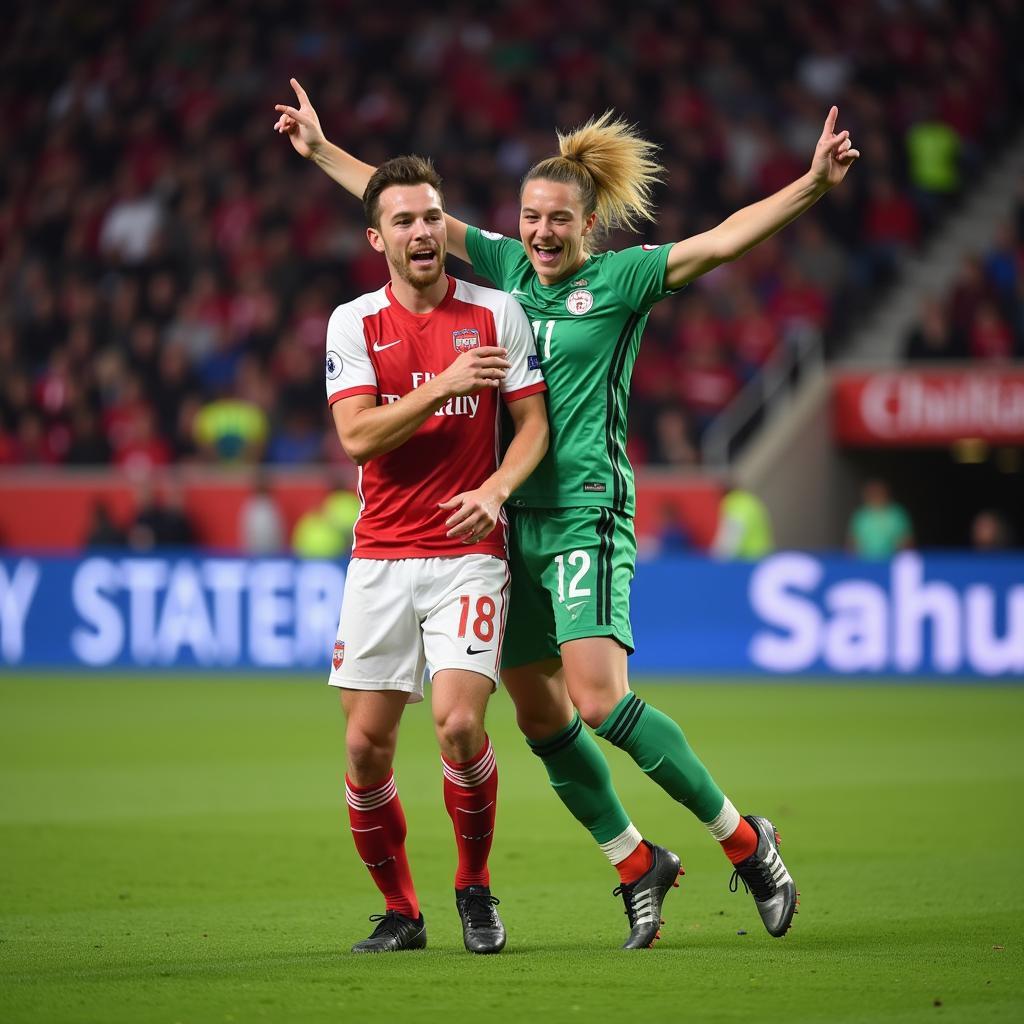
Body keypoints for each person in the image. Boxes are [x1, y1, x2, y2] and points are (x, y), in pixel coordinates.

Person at [276, 80, 859, 945]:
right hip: (505, 531)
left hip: (586, 510)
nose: (542, 234)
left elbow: (725, 239)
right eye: (530, 217)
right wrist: (322, 149)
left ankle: (745, 839)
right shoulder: (505, 268)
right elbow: (407, 214)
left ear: (589, 226)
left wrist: (810, 186)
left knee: (597, 703)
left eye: (559, 220)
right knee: (542, 719)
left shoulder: (624, 280)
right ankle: (635, 864)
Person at [322, 155, 548, 954]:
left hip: (467, 552)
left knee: (458, 726)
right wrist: (441, 383)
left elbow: (533, 429)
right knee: (362, 746)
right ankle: (400, 909)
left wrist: (495, 490)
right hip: (380, 555)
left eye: (431, 217)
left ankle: (475, 889)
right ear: (375, 236)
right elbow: (357, 435)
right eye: (404, 221)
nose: (422, 233)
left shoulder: (496, 313)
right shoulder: (354, 323)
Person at [847, 479, 914, 560]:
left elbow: (906, 541)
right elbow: (853, 542)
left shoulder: (897, 514)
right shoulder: (861, 515)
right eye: (871, 493)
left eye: (878, 492)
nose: (875, 496)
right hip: (865, 564)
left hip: (891, 562)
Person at [711, 480, 774, 560]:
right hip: (762, 556)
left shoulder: (735, 503)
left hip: (748, 561)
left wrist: (716, 559)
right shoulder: (749, 500)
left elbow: (732, 536)